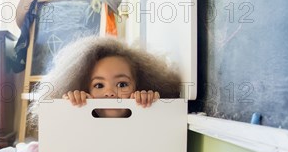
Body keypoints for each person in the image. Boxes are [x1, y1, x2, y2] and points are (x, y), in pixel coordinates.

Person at [28, 35, 181, 122]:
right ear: (85, 89)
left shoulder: (146, 107)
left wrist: (150, 101)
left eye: (122, 84)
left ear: (138, 85)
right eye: (99, 85)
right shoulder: (78, 113)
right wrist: (71, 106)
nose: (110, 93)